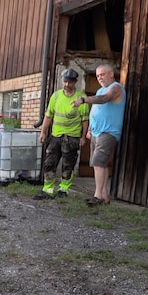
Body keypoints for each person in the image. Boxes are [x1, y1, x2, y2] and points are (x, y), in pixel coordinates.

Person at [71, 64, 126, 207]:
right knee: (100, 164)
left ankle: (97, 196)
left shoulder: (116, 88)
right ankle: (105, 196)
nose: (99, 78)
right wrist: (89, 129)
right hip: (96, 132)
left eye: (102, 74)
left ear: (111, 74)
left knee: (97, 162)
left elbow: (104, 99)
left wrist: (83, 100)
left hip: (108, 132)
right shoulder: (100, 90)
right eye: (97, 76)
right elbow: (95, 111)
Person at [33, 68, 89, 200]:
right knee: (49, 163)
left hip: (72, 137)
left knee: (68, 164)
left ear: (75, 82)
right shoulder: (56, 95)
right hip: (55, 136)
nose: (67, 85)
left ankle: (64, 190)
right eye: (65, 82)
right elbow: (48, 116)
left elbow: (85, 119)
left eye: (70, 82)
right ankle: (48, 190)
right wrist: (43, 132)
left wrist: (83, 137)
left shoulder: (81, 97)